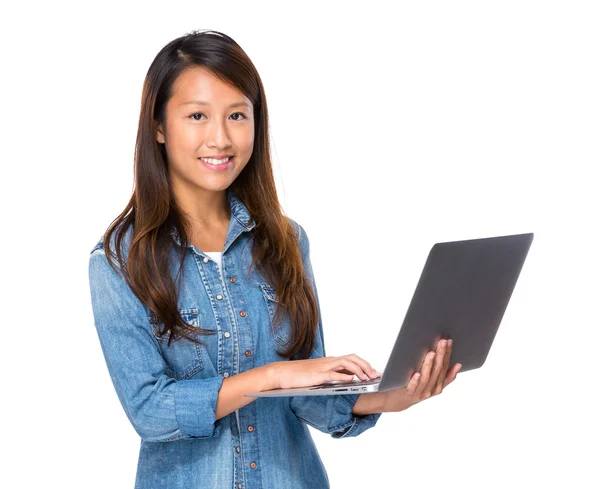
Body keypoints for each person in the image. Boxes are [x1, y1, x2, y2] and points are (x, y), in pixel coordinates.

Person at [88, 29, 462, 489]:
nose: (220, 138)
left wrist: (391, 397)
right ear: (160, 127)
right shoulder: (119, 261)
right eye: (198, 115)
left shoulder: (285, 241)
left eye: (237, 115)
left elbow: (307, 397)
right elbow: (150, 410)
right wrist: (273, 375)